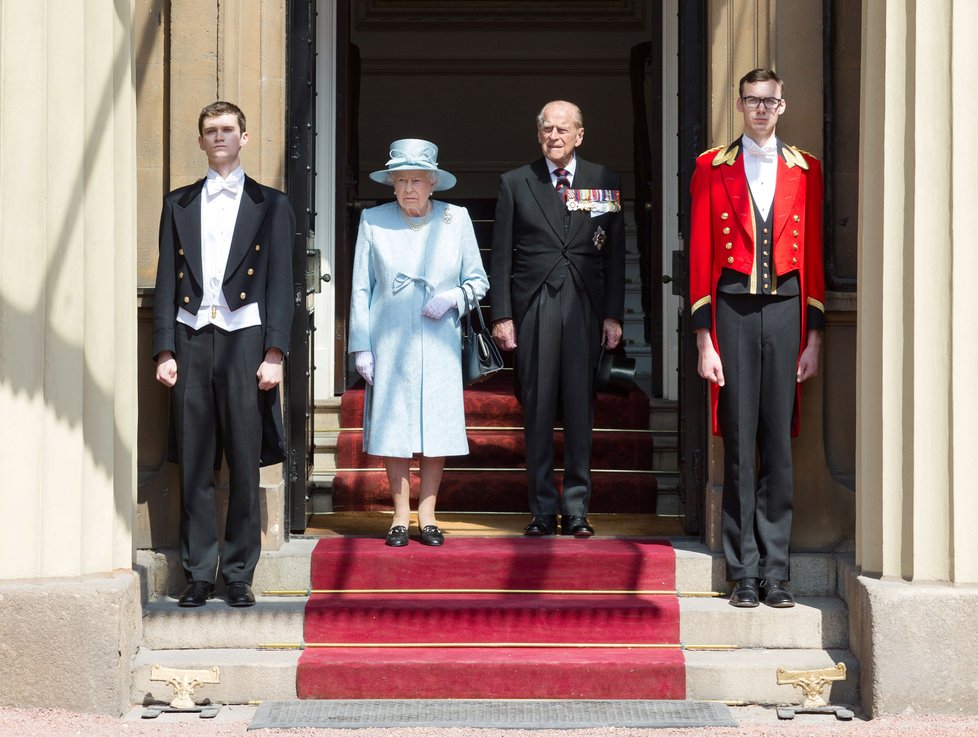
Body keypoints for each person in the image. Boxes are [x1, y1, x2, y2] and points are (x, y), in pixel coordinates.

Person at [689, 68, 825, 608]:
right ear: (740, 105)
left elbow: (812, 256)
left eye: (769, 101)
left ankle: (777, 572)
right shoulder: (710, 165)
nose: (761, 109)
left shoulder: (805, 168)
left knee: (778, 444)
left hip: (787, 309)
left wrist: (813, 338)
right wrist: (704, 341)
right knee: (740, 444)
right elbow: (701, 252)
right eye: (752, 101)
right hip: (730, 309)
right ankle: (742, 571)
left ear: (782, 106)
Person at [152, 101, 295, 608]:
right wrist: (164, 348)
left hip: (245, 337)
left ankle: (238, 573)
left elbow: (281, 282)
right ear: (200, 141)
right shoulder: (178, 203)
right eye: (210, 131)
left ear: (245, 137)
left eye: (228, 130)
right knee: (192, 460)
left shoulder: (272, 203)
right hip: (192, 336)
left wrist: (275, 350)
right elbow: (167, 278)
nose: (219, 137)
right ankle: (197, 571)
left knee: (243, 459)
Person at [489, 101, 625, 538]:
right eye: (547, 129)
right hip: (535, 306)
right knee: (538, 408)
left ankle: (578, 508)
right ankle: (543, 509)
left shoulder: (603, 180)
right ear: (539, 135)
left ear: (579, 135)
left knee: (581, 409)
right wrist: (503, 315)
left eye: (563, 129)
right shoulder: (516, 182)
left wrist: (614, 314)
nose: (554, 136)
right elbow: (501, 254)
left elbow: (617, 256)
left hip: (585, 305)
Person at [349, 139, 489, 548]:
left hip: (439, 340)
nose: (409, 187)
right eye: (401, 180)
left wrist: (455, 297)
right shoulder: (374, 220)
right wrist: (361, 346)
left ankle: (427, 514)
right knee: (394, 426)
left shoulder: (456, 219)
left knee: (435, 427)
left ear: (433, 184)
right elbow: (361, 287)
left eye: (417, 180)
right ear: (391, 185)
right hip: (388, 340)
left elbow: (478, 280)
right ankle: (398, 514)